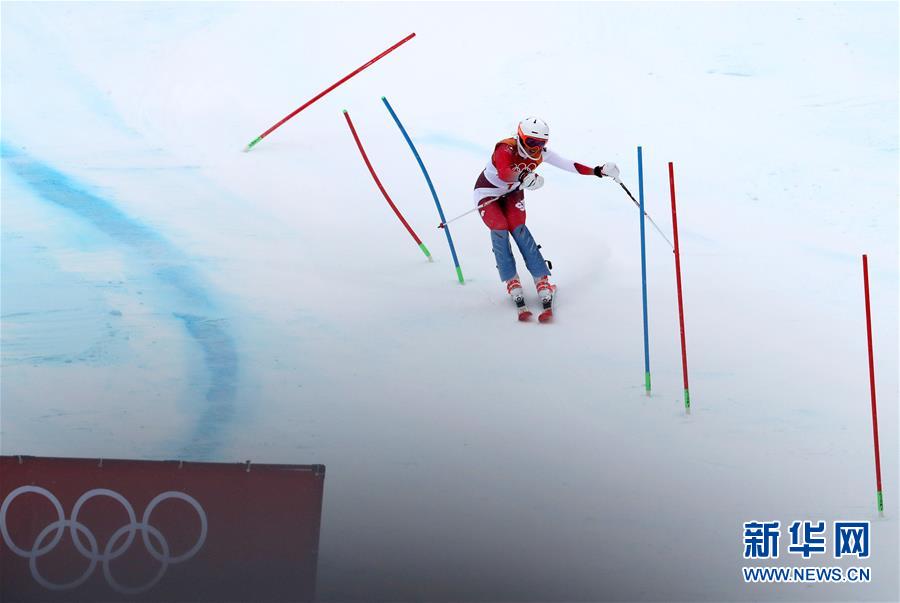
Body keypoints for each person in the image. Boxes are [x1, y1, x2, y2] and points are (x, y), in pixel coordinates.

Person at [472, 116, 619, 319]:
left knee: (518, 229)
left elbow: (568, 164)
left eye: (541, 143)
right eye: (532, 142)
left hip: (513, 191)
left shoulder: (542, 153)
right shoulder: (505, 148)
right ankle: (511, 280)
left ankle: (541, 279)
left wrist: (596, 171)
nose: (535, 148)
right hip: (488, 193)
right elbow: (505, 173)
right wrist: (524, 176)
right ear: (521, 137)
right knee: (500, 228)